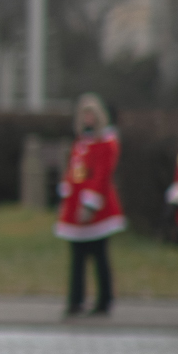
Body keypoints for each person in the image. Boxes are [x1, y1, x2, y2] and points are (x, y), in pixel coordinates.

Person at [57, 92, 124, 318]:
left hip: (98, 209)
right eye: (84, 115)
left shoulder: (106, 143)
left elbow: (101, 175)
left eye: (91, 114)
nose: (88, 119)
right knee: (77, 257)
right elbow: (75, 172)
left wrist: (90, 202)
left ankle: (104, 301)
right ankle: (75, 300)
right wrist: (68, 192)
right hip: (76, 208)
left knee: (99, 256)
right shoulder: (81, 143)